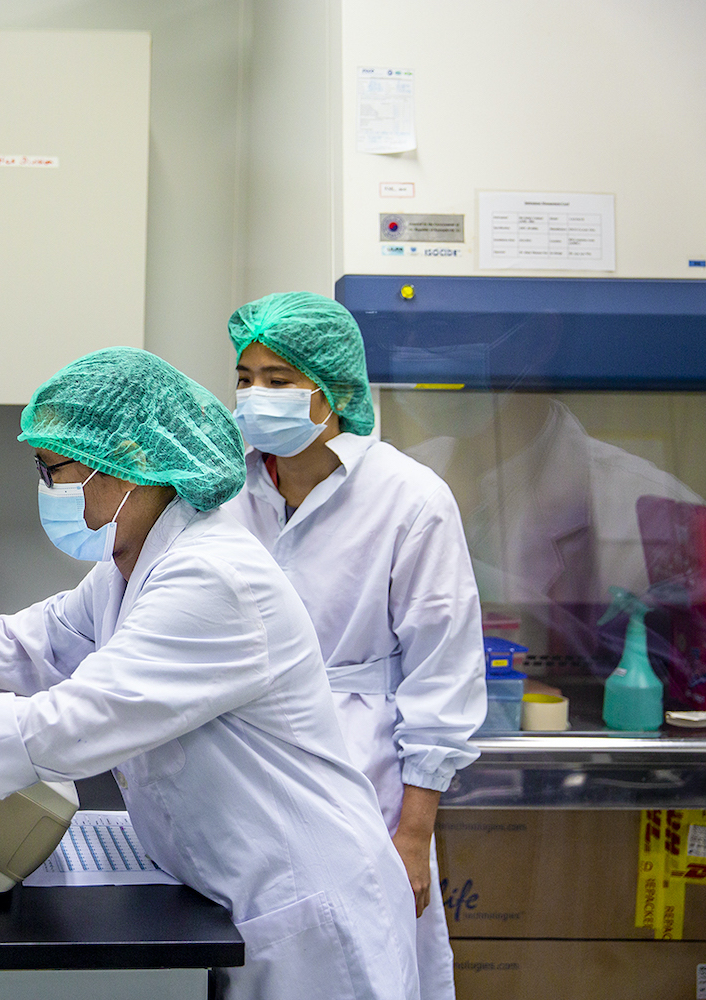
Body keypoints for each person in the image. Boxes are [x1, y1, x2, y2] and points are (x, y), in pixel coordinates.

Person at [0, 346, 419, 1000]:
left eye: (55, 470)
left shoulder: (212, 576)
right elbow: (36, 638)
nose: (48, 488)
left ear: (131, 462)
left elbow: (62, 731)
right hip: (233, 886)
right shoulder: (139, 559)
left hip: (304, 916)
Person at [220, 291, 487, 1000]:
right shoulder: (222, 493)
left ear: (332, 390)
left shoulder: (410, 499)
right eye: (245, 378)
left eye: (279, 380)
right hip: (234, 778)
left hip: (361, 781)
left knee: (356, 969)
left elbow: (444, 676)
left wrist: (414, 835)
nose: (255, 396)